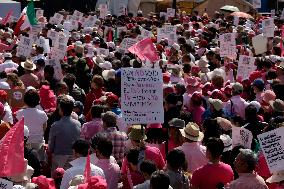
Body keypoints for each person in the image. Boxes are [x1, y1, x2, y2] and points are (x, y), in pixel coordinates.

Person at [48, 96, 81, 171]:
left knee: (57, 178)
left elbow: (51, 145)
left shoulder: (55, 125)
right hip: (73, 155)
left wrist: (50, 152)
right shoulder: (78, 124)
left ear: (61, 110)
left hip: (58, 156)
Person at [16, 89, 48, 161]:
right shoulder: (43, 114)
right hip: (38, 142)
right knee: (39, 162)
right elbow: (44, 128)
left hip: (25, 143)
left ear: (25, 100)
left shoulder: (19, 113)